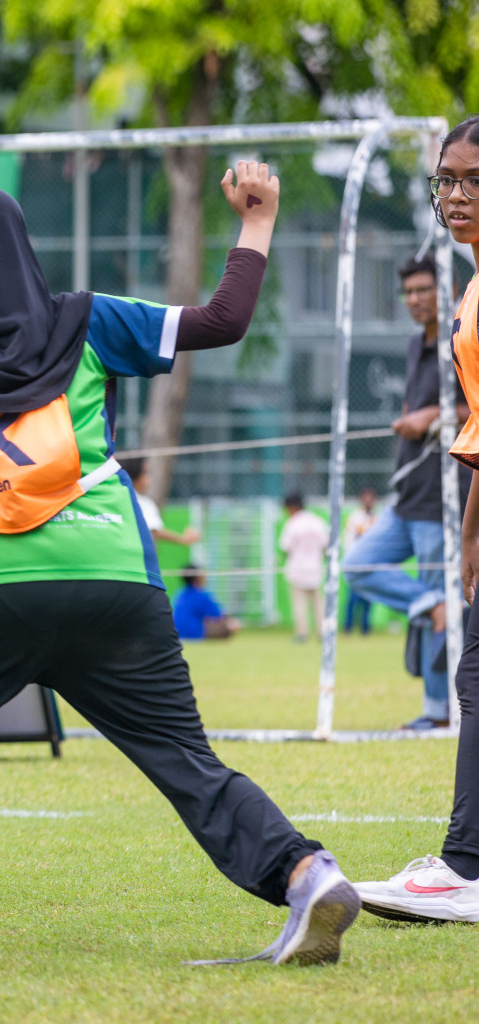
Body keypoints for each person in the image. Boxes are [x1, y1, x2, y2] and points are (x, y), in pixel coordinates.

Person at [0, 37, 357, 966]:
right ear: (23, 244)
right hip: (114, 576)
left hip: (3, 580)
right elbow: (223, 320)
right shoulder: (89, 320)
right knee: (187, 763)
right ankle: (303, 874)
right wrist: (254, 221)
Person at [354, 115, 479, 923]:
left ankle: (465, 868)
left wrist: (469, 534)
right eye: (447, 180)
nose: (457, 195)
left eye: (474, 181)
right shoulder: (470, 292)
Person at [346, 255, 471, 728]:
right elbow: (412, 406)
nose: (415, 300)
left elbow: (471, 407)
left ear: (450, 287)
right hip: (408, 496)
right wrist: (411, 417)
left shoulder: (465, 337)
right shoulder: (416, 345)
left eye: (424, 289)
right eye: (410, 292)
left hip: (446, 497)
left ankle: (437, 713)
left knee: (444, 613)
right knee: (358, 565)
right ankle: (434, 605)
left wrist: (435, 416)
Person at [279, 493, 329, 643]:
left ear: (292, 507)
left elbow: (285, 548)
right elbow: (326, 546)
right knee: (318, 604)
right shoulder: (317, 521)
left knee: (299, 604)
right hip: (315, 568)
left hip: (297, 569)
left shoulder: (292, 524)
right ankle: (322, 633)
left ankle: (302, 634)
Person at [127, 457, 201, 548]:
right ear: (135, 476)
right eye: (145, 473)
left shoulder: (113, 497)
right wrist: (183, 539)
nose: (149, 481)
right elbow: (156, 531)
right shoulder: (143, 503)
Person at [342, 487, 377, 636]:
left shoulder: (377, 518)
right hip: (356, 564)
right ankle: (348, 628)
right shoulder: (355, 518)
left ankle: (365, 629)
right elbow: (348, 541)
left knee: (368, 599)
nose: (369, 501)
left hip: (371, 564)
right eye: (366, 498)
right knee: (353, 598)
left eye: (371, 498)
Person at [173, 565, 242, 640]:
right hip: (195, 633)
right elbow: (219, 614)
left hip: (177, 633)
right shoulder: (202, 594)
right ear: (197, 577)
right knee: (234, 624)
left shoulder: (179, 594)